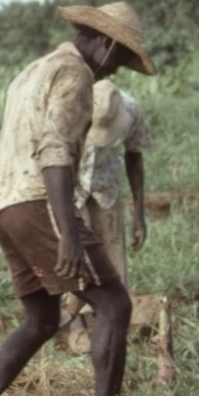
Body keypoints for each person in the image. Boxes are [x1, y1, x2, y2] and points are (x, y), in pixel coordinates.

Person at [0, 2, 155, 396]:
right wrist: (68, 231)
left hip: (6, 209)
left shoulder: (33, 70)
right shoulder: (76, 73)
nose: (113, 73)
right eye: (119, 60)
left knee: (42, 318)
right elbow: (54, 151)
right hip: (39, 203)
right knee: (115, 304)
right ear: (105, 43)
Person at [64, 79, 153, 352]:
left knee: (112, 257)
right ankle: (74, 323)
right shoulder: (68, 107)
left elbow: (134, 157)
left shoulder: (131, 109)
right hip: (69, 187)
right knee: (71, 255)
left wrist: (139, 213)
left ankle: (105, 321)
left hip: (107, 186)